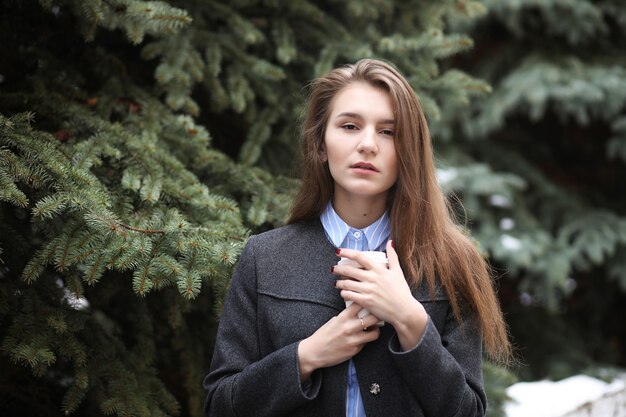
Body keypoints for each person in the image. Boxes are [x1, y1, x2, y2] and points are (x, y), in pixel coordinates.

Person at [203, 58, 511, 417]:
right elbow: (219, 405)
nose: (368, 144)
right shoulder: (264, 258)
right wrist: (306, 356)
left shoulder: (453, 264)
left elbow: (468, 412)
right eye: (349, 126)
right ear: (320, 145)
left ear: (407, 151)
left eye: (388, 132)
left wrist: (411, 322)